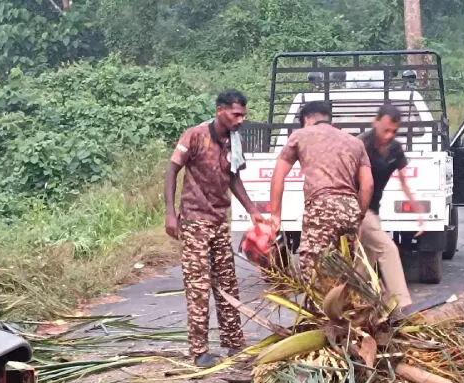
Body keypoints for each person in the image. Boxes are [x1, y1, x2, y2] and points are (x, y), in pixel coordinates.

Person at [164, 89, 264, 368]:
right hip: (195, 221)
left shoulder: (235, 140)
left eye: (243, 114)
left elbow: (234, 179)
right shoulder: (194, 135)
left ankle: (234, 344)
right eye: (236, 114)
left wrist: (253, 210)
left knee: (227, 284)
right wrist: (171, 214)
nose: (240, 119)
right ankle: (199, 350)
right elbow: (172, 171)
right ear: (220, 110)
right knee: (198, 287)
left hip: (220, 221)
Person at [268, 100, 374, 282]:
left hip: (321, 206)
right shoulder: (354, 142)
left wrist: (276, 215)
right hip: (350, 208)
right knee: (342, 268)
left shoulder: (300, 135)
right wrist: (359, 218)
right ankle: (341, 308)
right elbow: (368, 185)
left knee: (314, 271)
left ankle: (319, 309)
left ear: (307, 119)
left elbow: (278, 176)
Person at [357, 104, 421, 309]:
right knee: (387, 248)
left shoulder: (395, 148)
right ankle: (403, 304)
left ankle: (353, 301)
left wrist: (419, 213)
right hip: (357, 208)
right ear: (375, 122)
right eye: (386, 130)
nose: (389, 135)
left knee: (366, 260)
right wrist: (355, 218)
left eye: (394, 131)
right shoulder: (360, 145)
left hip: (373, 209)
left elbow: (403, 182)